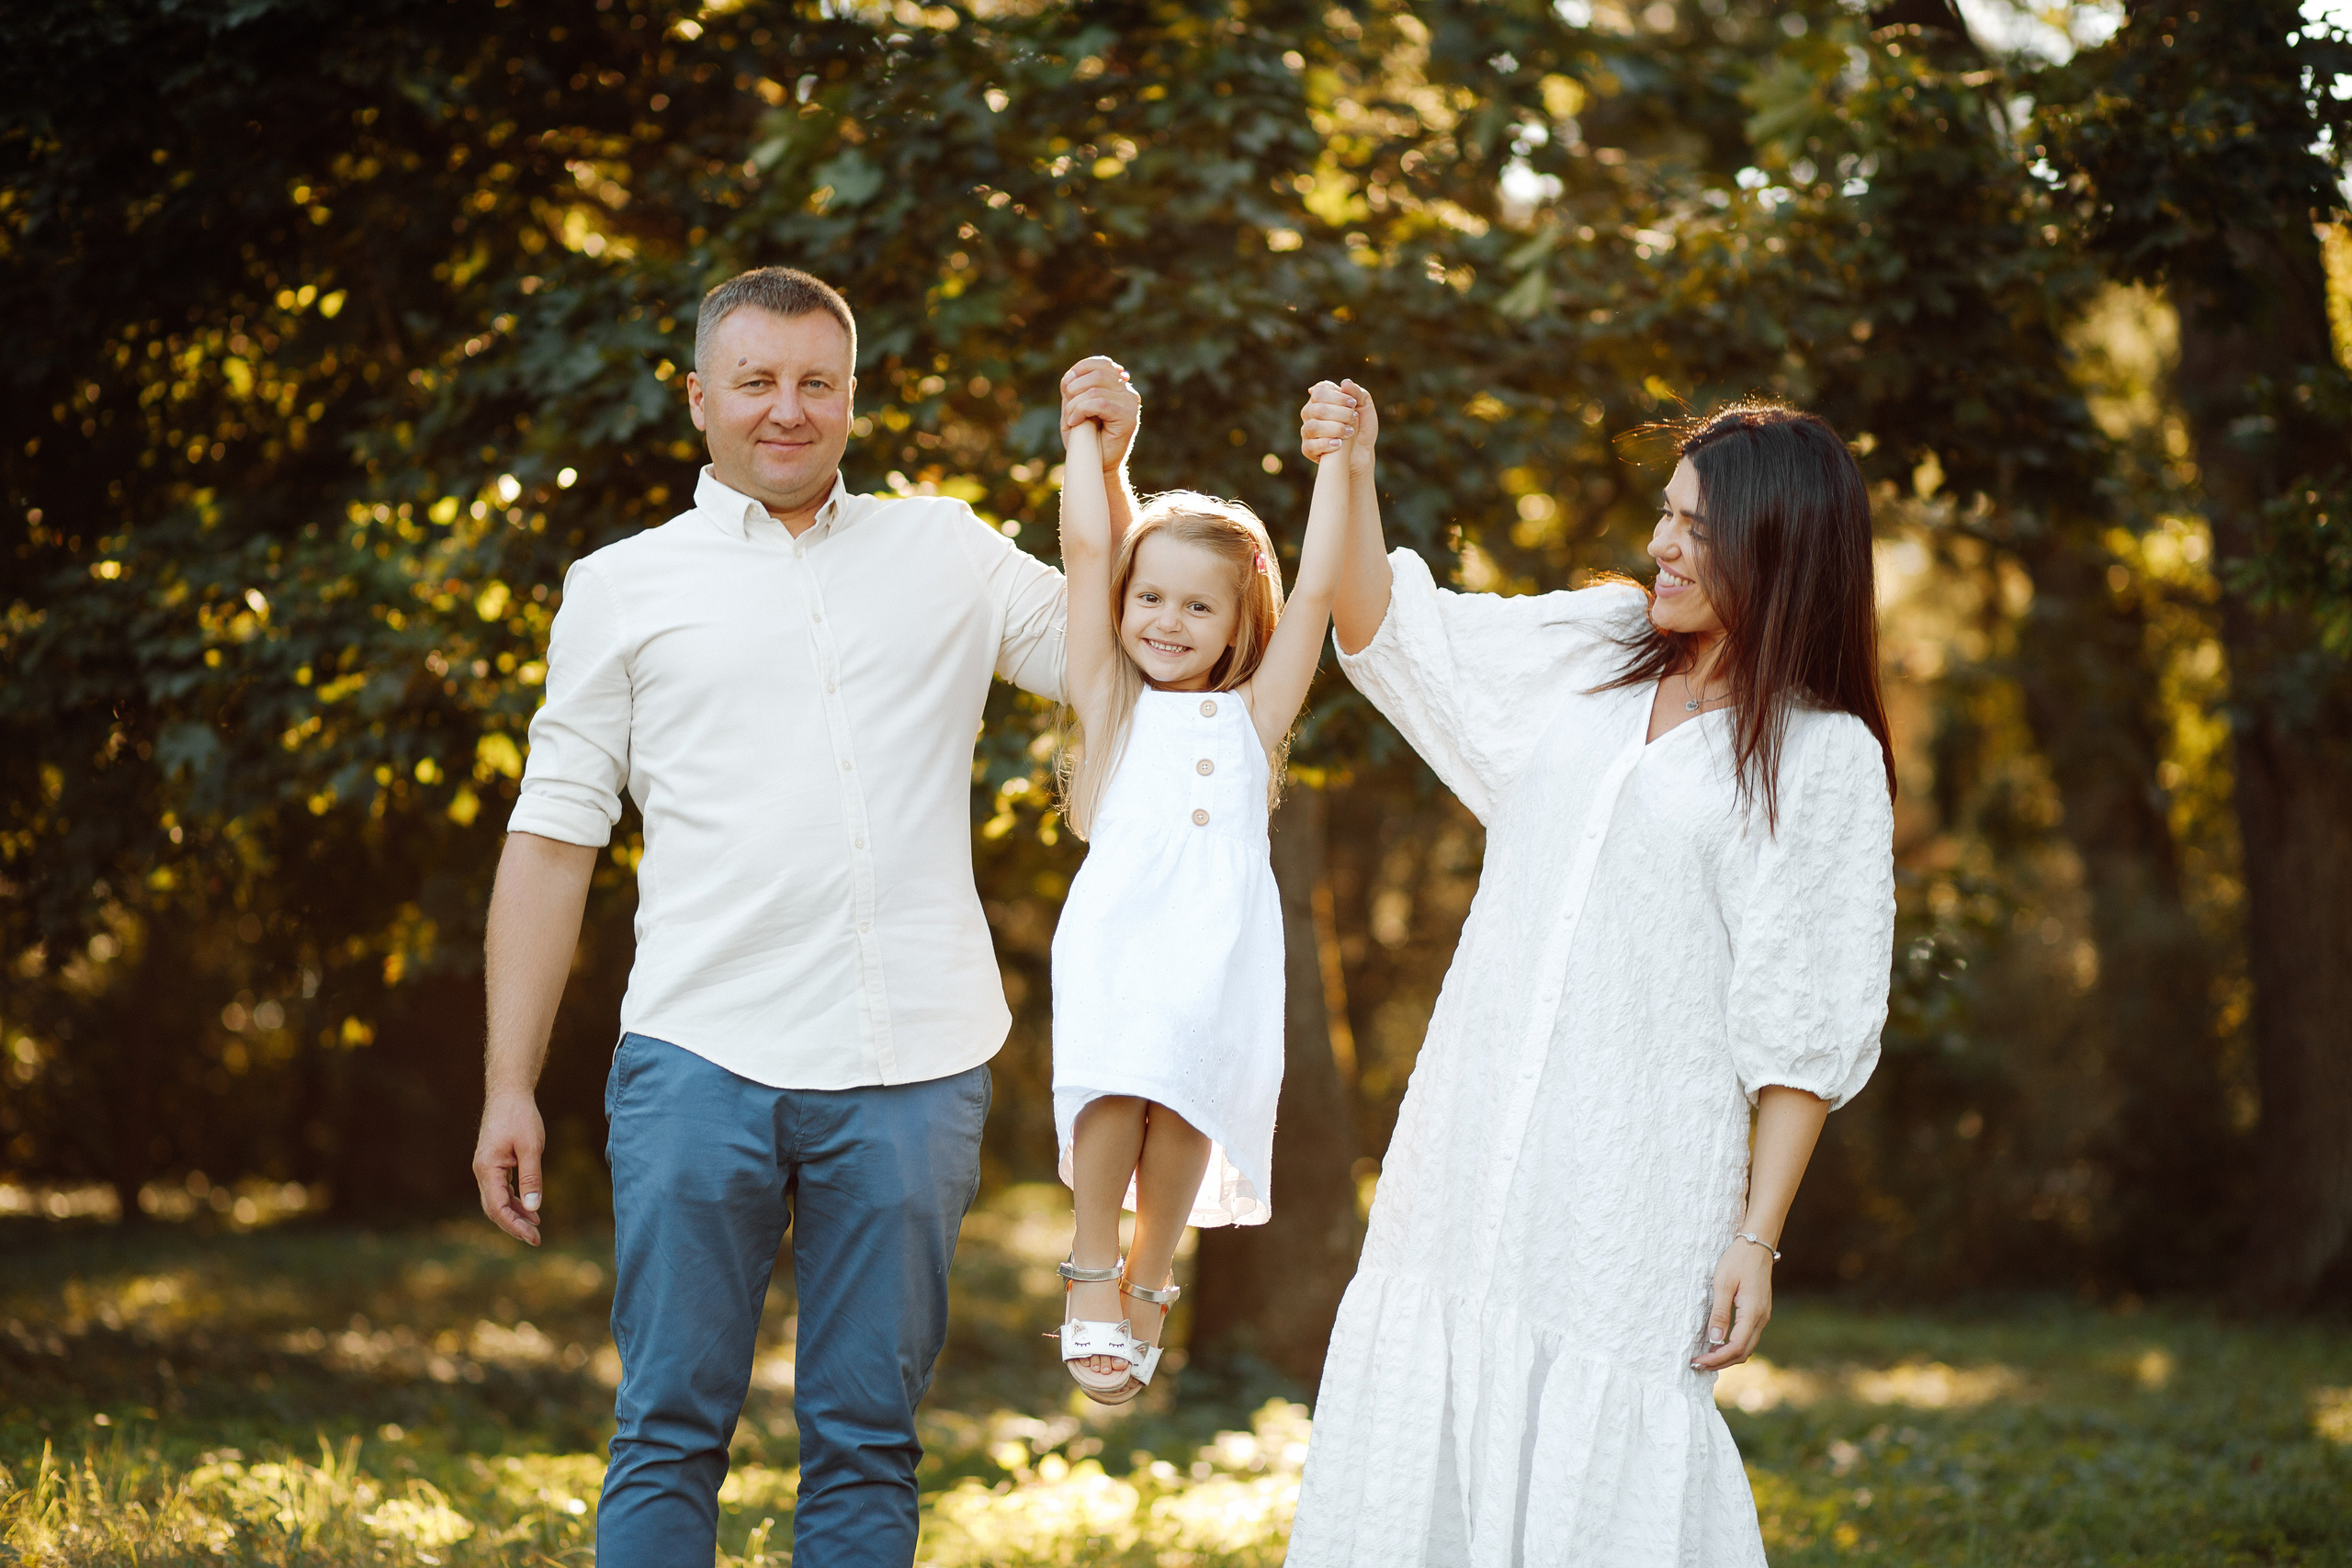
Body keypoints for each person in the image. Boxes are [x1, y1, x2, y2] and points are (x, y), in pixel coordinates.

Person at [466, 265, 1142, 1568]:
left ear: (850, 395)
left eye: (816, 382)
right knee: (666, 1427)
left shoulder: (942, 547)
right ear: (699, 397)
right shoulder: (619, 585)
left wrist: (1104, 469)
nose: (789, 409)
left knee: (869, 1437)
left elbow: (1107, 649)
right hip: (695, 1056)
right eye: (758, 381)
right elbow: (552, 840)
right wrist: (510, 1082)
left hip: (914, 1061)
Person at [1284, 382, 1897, 1565]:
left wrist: (1754, 1239)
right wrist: (1352, 466)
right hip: (1469, 1142)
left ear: (1781, 553)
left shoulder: (1821, 758)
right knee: (1431, 1423)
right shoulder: (1596, 651)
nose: (1663, 546)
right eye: (1666, 514)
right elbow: (1392, 635)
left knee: (1598, 1463)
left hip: (1634, 1186)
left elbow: (1800, 1028)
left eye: (1700, 531)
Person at [1043, 403, 1356, 1403]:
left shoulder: (1254, 715)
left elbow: (1313, 595)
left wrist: (1341, 464)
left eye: (1196, 608)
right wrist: (1087, 447)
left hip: (1218, 944)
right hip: (1121, 932)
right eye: (1151, 599)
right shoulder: (1109, 697)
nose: (1164, 624)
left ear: (1238, 623)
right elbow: (1090, 548)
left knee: (1184, 1098)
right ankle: (1095, 1263)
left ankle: (1152, 1269)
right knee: (1116, 1081)